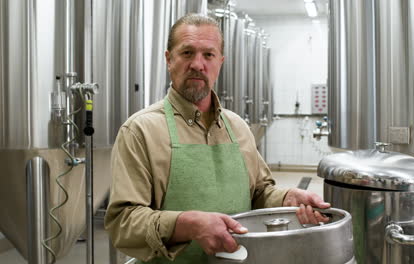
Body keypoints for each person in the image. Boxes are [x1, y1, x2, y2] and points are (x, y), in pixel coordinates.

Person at [104, 13, 331, 264]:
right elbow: (123, 222)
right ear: (169, 59)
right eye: (187, 53)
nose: (198, 64)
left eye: (208, 55)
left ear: (220, 62)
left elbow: (259, 193)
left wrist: (287, 198)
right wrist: (185, 225)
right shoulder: (141, 131)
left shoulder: (238, 127)